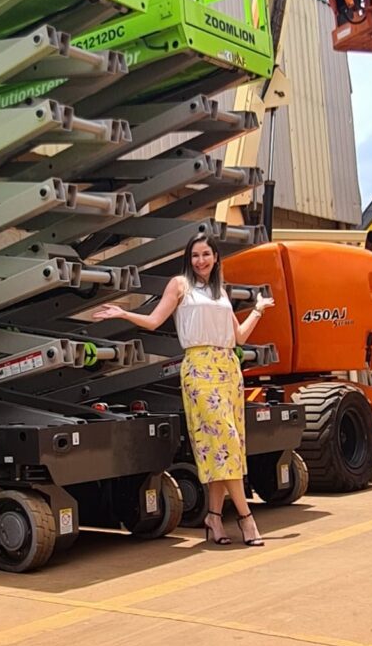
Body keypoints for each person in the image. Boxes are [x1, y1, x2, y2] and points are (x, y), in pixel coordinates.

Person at [93, 233, 274, 547]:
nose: (200, 260)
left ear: (216, 257)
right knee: (224, 440)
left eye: (206, 254)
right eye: (194, 255)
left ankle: (214, 519)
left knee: (226, 447)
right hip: (200, 368)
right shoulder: (180, 285)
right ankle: (246, 518)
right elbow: (153, 320)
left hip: (229, 369)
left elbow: (239, 337)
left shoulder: (221, 292)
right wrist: (124, 314)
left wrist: (257, 309)